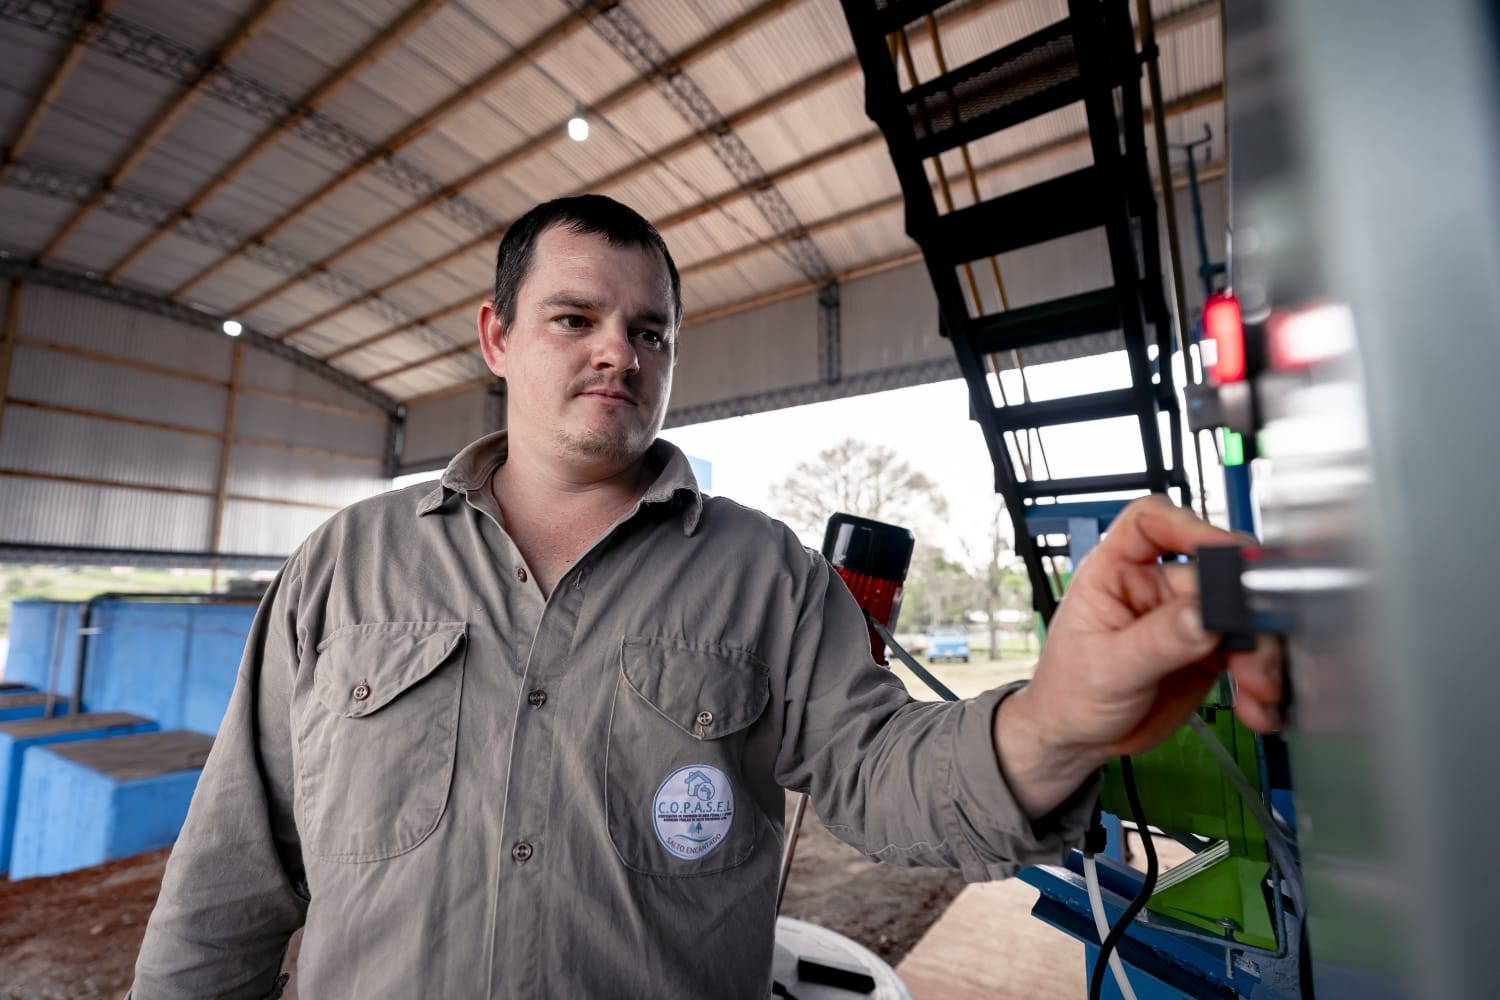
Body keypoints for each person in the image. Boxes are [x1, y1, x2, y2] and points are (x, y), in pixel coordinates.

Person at [128, 195, 1282, 998]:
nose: (616, 355)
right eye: (573, 319)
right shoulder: (344, 568)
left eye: (649, 332)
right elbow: (234, 872)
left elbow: (882, 780)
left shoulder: (765, 574)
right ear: (496, 336)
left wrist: (1052, 722)